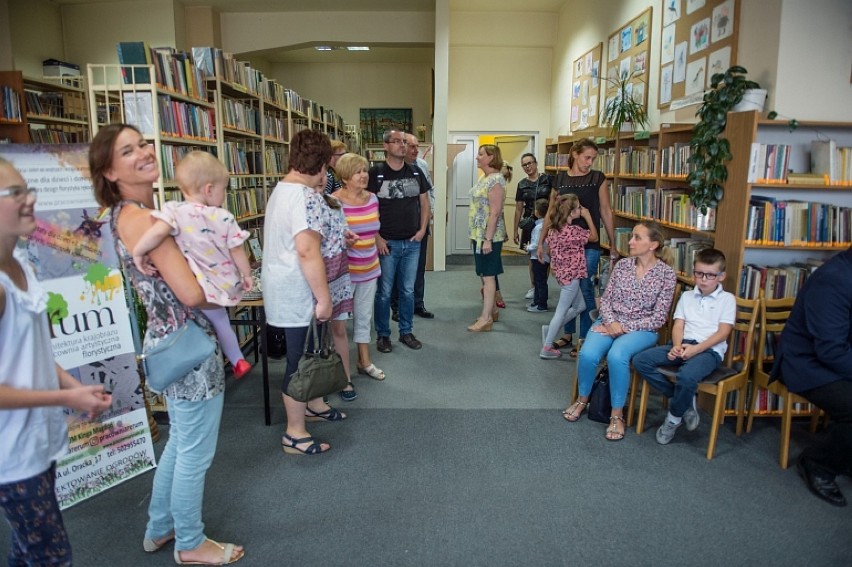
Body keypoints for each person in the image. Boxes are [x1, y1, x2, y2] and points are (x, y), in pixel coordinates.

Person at [89, 125, 245, 564]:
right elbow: (192, 294)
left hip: (168, 338)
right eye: (128, 150)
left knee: (180, 441)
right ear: (109, 170)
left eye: (142, 143)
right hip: (190, 341)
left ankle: (160, 527)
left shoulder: (130, 214)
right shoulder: (143, 219)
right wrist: (230, 286)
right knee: (196, 450)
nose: (143, 152)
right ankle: (191, 543)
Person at [0, 158, 113, 567]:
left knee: (28, 548)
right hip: (10, 450)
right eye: (15, 194)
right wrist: (63, 396)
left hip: (36, 438)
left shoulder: (24, 265)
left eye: (28, 190)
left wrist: (71, 388)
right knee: (51, 554)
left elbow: (36, 352)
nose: (30, 200)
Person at [262, 129, 353, 452]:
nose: (326, 174)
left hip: (284, 285)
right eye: (326, 166)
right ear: (319, 163)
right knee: (299, 362)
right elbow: (307, 250)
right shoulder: (304, 197)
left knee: (310, 352)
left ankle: (314, 403)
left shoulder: (282, 189)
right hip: (297, 290)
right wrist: (325, 298)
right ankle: (294, 433)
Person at [132, 151, 253, 380]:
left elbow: (157, 233)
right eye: (223, 189)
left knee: (195, 322)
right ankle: (237, 360)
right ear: (208, 189)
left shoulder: (174, 211)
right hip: (220, 284)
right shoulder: (224, 217)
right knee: (221, 322)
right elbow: (237, 249)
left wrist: (139, 251)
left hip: (189, 282)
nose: (224, 195)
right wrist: (247, 275)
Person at [563, 221, 676, 442]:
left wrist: (625, 328)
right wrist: (613, 322)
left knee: (617, 356)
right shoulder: (623, 266)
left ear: (653, 244)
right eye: (631, 236)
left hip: (643, 329)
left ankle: (617, 415)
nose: (630, 241)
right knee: (587, 353)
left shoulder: (666, 274)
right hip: (610, 322)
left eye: (637, 237)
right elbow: (606, 300)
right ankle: (583, 399)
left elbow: (659, 318)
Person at [773, 246, 852, 507]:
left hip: (836, 358)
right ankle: (818, 464)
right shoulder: (834, 280)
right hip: (807, 364)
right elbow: (830, 350)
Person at [632, 248, 736, 444]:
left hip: (708, 351)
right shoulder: (687, 297)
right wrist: (677, 346)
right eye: (699, 273)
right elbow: (678, 325)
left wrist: (696, 349)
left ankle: (673, 418)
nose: (703, 279)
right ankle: (684, 402)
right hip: (683, 344)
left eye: (710, 275)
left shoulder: (727, 300)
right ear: (694, 272)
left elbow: (723, 332)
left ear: (721, 276)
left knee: (687, 376)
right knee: (640, 360)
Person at [539, 139, 617, 356]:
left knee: (583, 289)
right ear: (574, 154)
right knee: (570, 292)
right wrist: (541, 241)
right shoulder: (560, 179)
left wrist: (612, 243)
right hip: (564, 244)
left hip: (588, 242)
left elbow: (605, 210)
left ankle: (584, 337)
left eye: (593, 158)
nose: (590, 162)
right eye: (586, 157)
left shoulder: (597, 178)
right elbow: (551, 212)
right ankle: (566, 334)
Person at [368, 129, 430, 353]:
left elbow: (425, 203)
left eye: (405, 142)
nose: (402, 146)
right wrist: (377, 237)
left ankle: (406, 331)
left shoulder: (415, 172)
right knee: (384, 292)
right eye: (397, 142)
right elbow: (367, 208)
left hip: (413, 242)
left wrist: (422, 230)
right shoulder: (375, 173)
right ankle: (383, 335)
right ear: (385, 146)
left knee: (407, 291)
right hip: (387, 244)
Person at [332, 152, 387, 386]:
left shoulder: (373, 199)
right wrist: (342, 241)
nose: (364, 175)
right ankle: (340, 372)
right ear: (345, 176)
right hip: (343, 273)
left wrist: (377, 239)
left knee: (364, 317)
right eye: (358, 172)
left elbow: (373, 229)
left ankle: (364, 361)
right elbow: (326, 238)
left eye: (365, 170)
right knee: (340, 323)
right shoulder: (332, 201)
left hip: (369, 268)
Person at [540, 194, 598, 358]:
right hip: (571, 278)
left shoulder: (553, 229)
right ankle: (547, 348)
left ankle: (550, 329)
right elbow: (594, 237)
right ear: (571, 212)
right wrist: (588, 216)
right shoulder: (573, 231)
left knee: (581, 306)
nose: (581, 209)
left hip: (562, 275)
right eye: (579, 208)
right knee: (561, 311)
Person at [391, 132, 435, 320]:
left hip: (420, 225)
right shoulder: (394, 168)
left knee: (418, 267)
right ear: (402, 147)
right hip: (399, 227)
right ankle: (397, 306)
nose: (417, 150)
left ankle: (418, 303)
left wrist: (430, 211)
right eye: (413, 146)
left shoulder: (422, 166)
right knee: (397, 267)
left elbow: (430, 190)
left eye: (418, 146)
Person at [467, 144, 507, 332]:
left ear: (491, 157)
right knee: (484, 275)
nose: (477, 157)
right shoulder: (485, 178)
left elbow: (495, 212)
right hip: (479, 234)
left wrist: (488, 239)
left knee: (489, 277)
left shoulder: (496, 180)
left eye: (481, 154)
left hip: (488, 236)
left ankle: (486, 318)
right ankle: (490, 310)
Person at [514, 152, 553, 300]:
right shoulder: (522, 184)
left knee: (546, 256)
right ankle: (534, 286)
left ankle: (542, 284)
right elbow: (518, 208)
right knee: (533, 258)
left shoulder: (548, 180)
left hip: (547, 222)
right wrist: (515, 230)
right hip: (530, 223)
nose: (528, 166)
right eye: (524, 165)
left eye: (530, 163)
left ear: (536, 163)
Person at [527, 198, 551, 314]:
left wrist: (527, 247)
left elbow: (536, 244)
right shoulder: (546, 225)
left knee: (540, 281)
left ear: (537, 212)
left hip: (538, 257)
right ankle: (536, 301)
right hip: (545, 257)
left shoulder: (538, 228)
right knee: (539, 280)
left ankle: (542, 304)